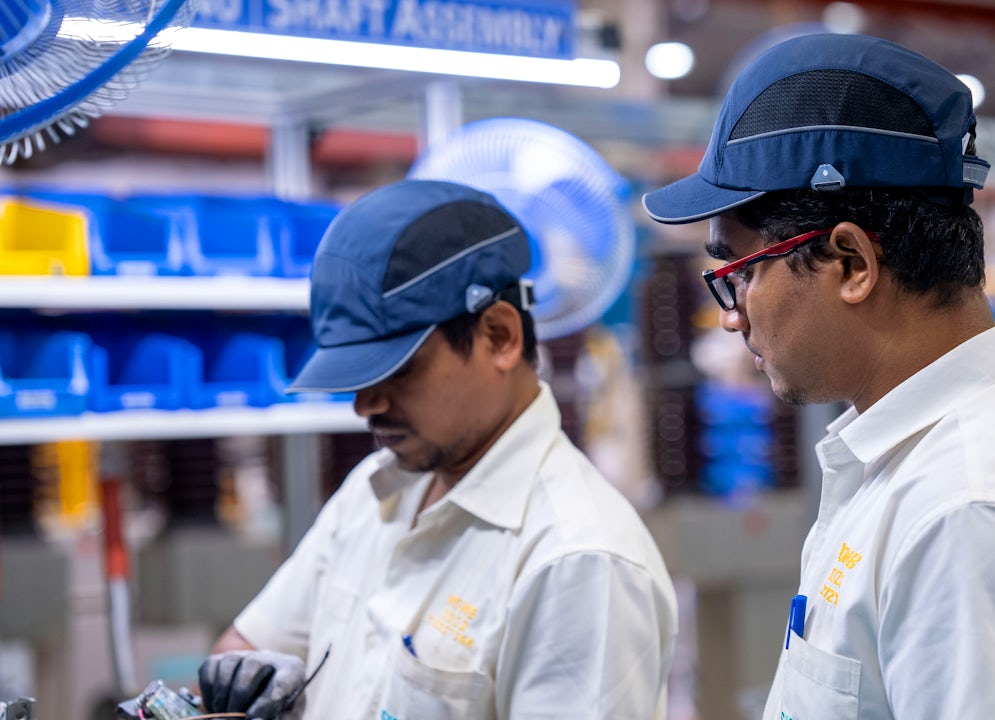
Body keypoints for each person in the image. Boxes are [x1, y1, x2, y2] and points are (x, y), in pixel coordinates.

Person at [643, 33, 995, 719]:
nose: (731, 317)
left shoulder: (972, 516)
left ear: (852, 263)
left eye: (739, 273)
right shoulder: (910, 470)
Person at [199, 179, 678, 720]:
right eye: (355, 377)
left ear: (498, 336)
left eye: (397, 369)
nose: (365, 404)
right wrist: (244, 680)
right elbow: (247, 645)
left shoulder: (576, 562)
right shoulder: (374, 492)